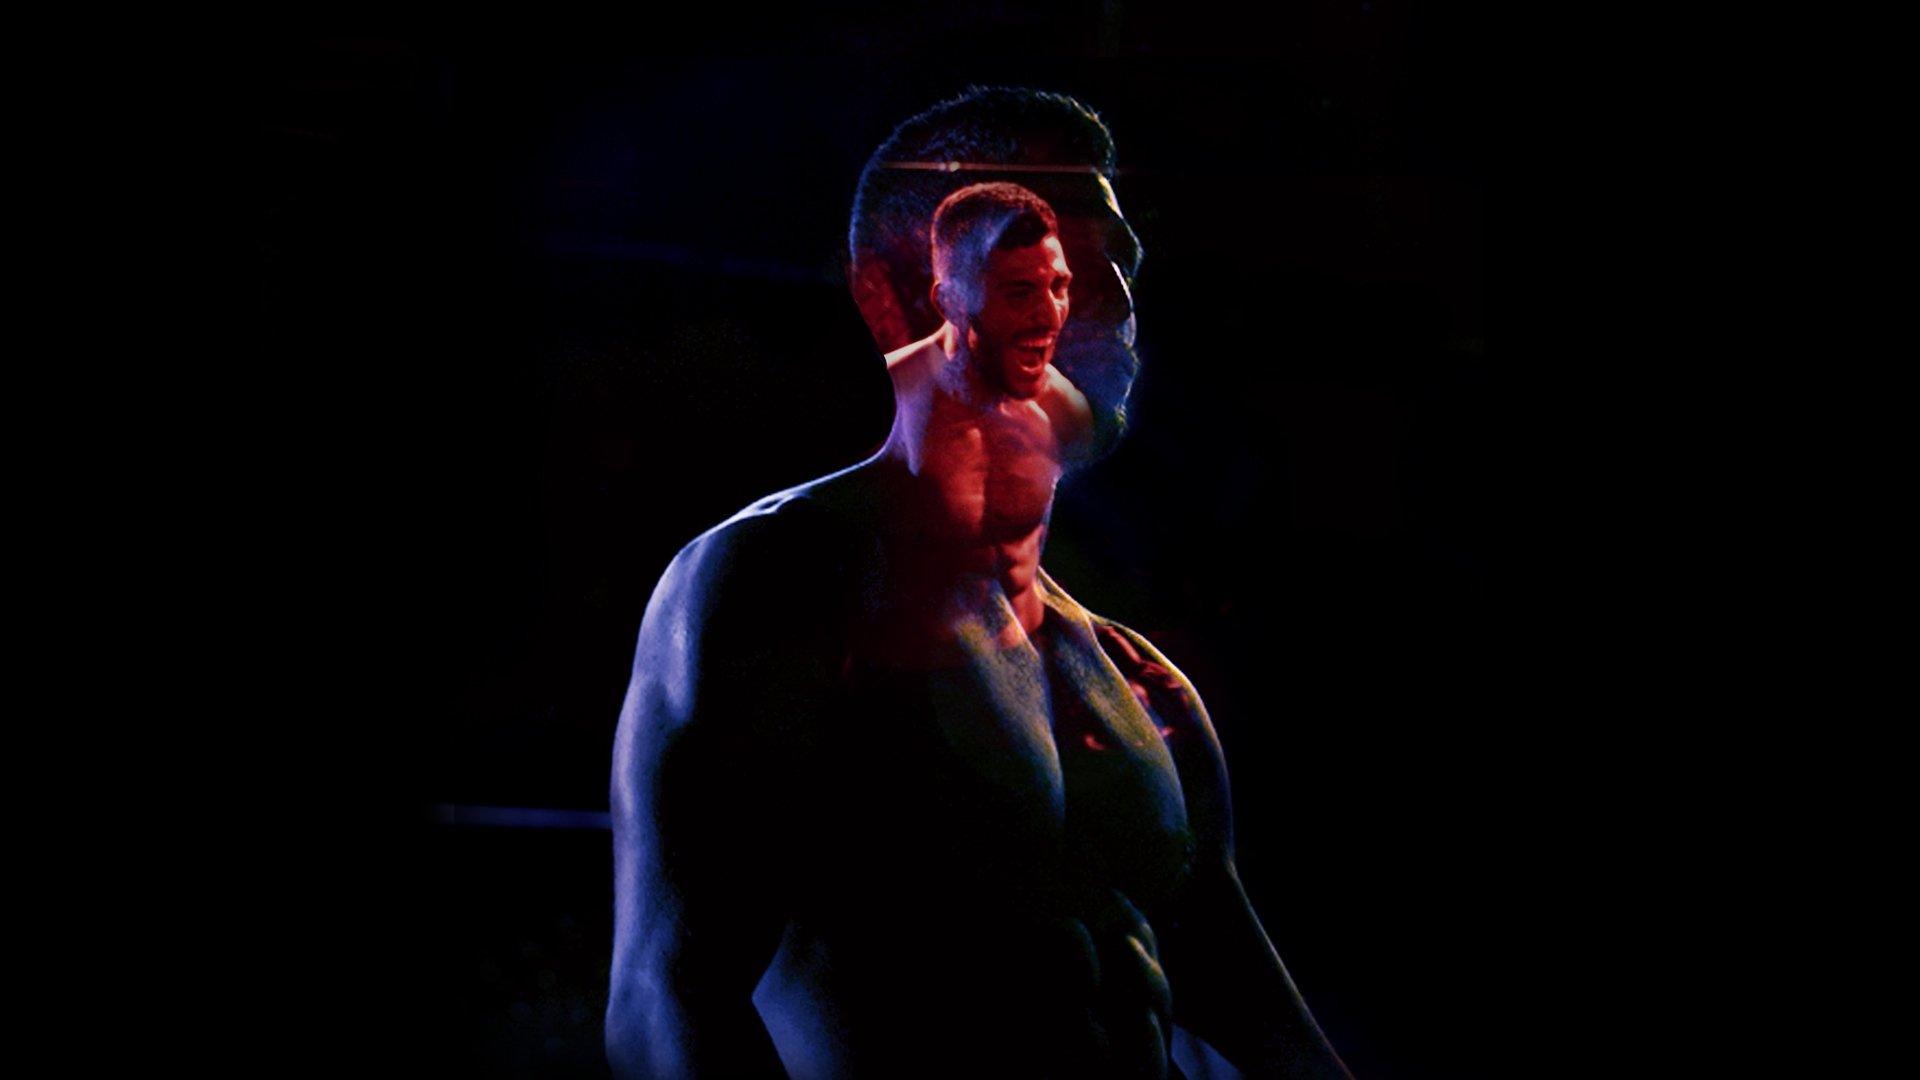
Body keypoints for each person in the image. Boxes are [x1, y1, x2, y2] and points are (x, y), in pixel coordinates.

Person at [608, 88, 1351, 1080]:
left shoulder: (1139, 680)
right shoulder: (777, 581)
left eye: (1120, 261)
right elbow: (664, 1001)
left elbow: (1263, 1027)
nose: (1112, 297)